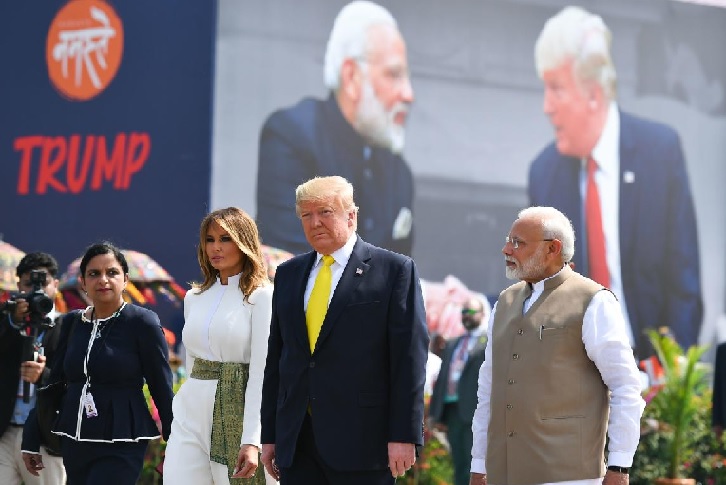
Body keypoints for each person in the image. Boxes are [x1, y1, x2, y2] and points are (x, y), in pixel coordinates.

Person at [527, 6, 702, 357]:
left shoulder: (659, 154)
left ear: (593, 94)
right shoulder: (544, 174)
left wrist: (665, 377)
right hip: (579, 375)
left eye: (556, 90)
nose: (546, 106)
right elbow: (544, 295)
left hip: (652, 369)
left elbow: (684, 287)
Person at [260, 176, 429, 484]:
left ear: (351, 216)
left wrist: (404, 434)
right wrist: (270, 435)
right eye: (306, 216)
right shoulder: (288, 274)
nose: (315, 223)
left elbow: (409, 360)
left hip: (364, 442)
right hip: (297, 442)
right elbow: (278, 360)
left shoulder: (393, 270)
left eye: (325, 212)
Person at [469, 207, 645, 485]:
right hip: (502, 475)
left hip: (570, 477)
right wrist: (479, 464)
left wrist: (620, 466)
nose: (506, 249)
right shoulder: (504, 302)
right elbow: (488, 389)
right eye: (508, 240)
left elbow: (625, 386)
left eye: (518, 242)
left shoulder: (594, 300)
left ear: (553, 248)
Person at [256, 0, 415, 257]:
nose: (408, 94)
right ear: (352, 77)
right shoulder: (290, 137)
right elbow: (293, 264)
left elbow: (398, 268)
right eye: (394, 74)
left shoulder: (399, 173)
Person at [21, 242, 174, 484]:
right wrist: (30, 439)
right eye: (94, 274)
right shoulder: (71, 323)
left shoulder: (142, 322)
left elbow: (161, 384)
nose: (103, 280)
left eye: (112, 272)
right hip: (75, 440)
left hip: (122, 440)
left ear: (125, 279)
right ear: (83, 282)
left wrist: (175, 440)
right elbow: (53, 385)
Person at [163, 207, 274, 484]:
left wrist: (252, 439)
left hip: (236, 409)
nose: (216, 247)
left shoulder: (262, 297)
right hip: (190, 415)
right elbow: (191, 366)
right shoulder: (194, 297)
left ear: (244, 243)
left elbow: (262, 373)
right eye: (209, 239)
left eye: (225, 239)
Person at [0, 253, 66, 484]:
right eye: (29, 284)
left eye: (44, 283)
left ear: (55, 286)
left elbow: (76, 379)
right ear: (18, 286)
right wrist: (14, 321)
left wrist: (43, 376)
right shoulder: (6, 320)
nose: (36, 291)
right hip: (4, 433)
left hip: (45, 436)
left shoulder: (68, 326)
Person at [428, 296, 489, 485]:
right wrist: (434, 413)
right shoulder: (453, 343)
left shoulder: (488, 341)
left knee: (476, 465)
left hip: (476, 410)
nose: (466, 316)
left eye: (471, 312)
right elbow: (443, 377)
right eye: (463, 312)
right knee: (459, 462)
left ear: (482, 314)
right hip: (452, 410)